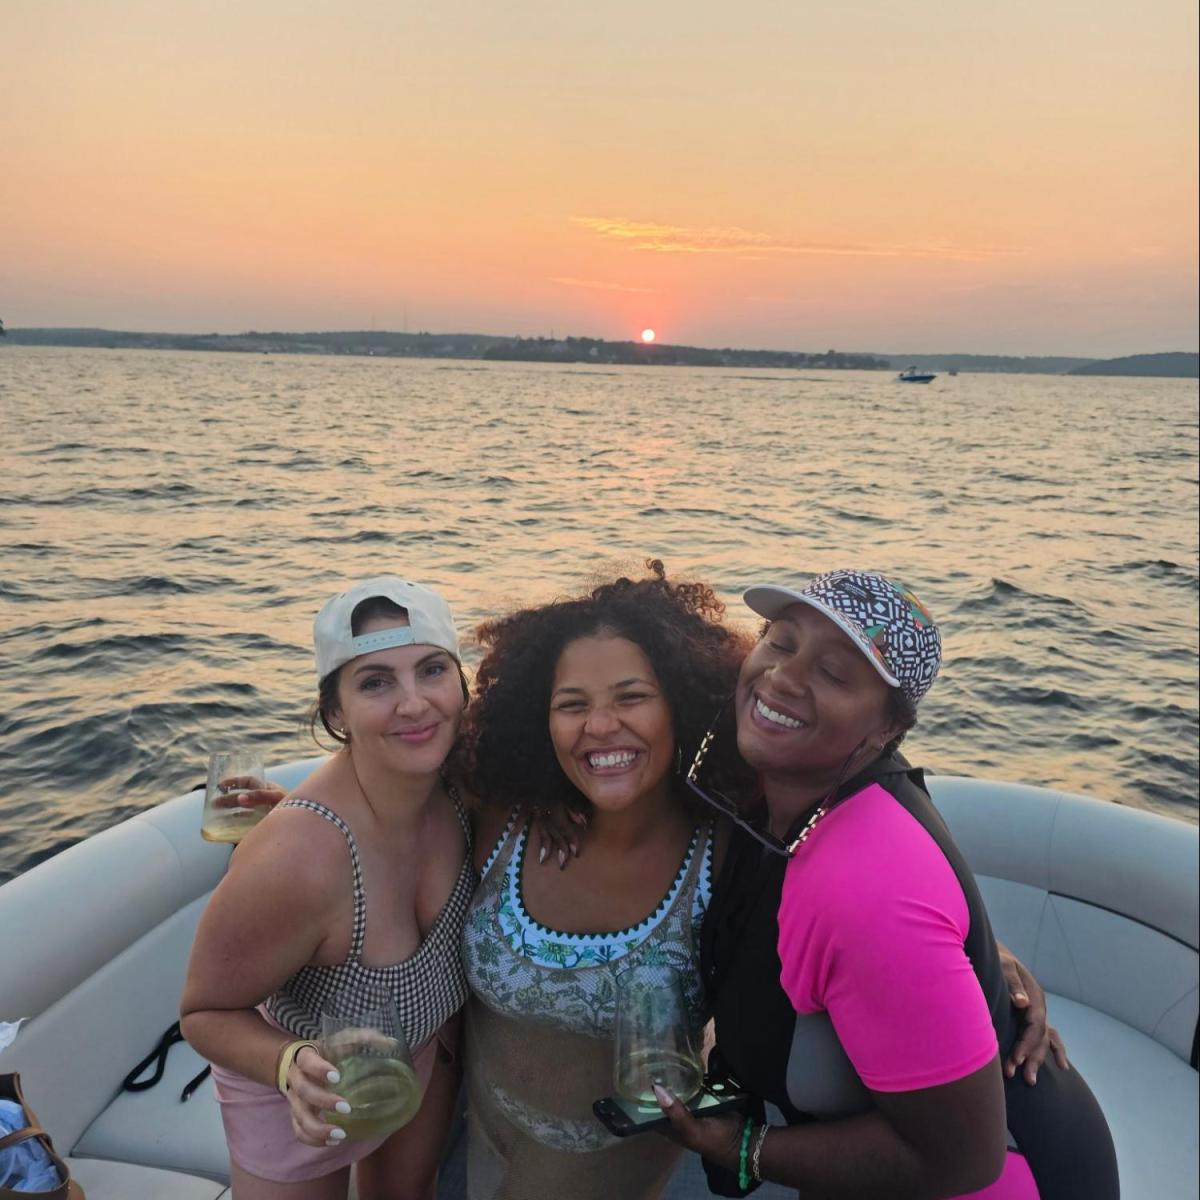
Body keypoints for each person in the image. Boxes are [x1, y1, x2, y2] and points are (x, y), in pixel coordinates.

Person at [654, 569, 1119, 1199]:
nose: (784, 677)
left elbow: (962, 1160)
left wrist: (739, 1148)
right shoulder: (782, 786)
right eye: (781, 641)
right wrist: (986, 959)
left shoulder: (864, 887)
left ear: (885, 730)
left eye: (836, 674)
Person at [459, 564, 748, 1200]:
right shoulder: (498, 810)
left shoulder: (728, 848)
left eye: (631, 697)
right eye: (572, 705)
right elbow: (382, 779)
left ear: (683, 703)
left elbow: (857, 890)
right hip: (477, 1145)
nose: (599, 726)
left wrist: (988, 956)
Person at [181, 576, 474, 1200]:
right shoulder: (298, 862)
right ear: (334, 713)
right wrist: (290, 1069)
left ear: (461, 682)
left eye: (431, 670)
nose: (415, 703)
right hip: (302, 1095)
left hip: (421, 1059)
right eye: (375, 682)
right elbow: (202, 1012)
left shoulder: (465, 789)